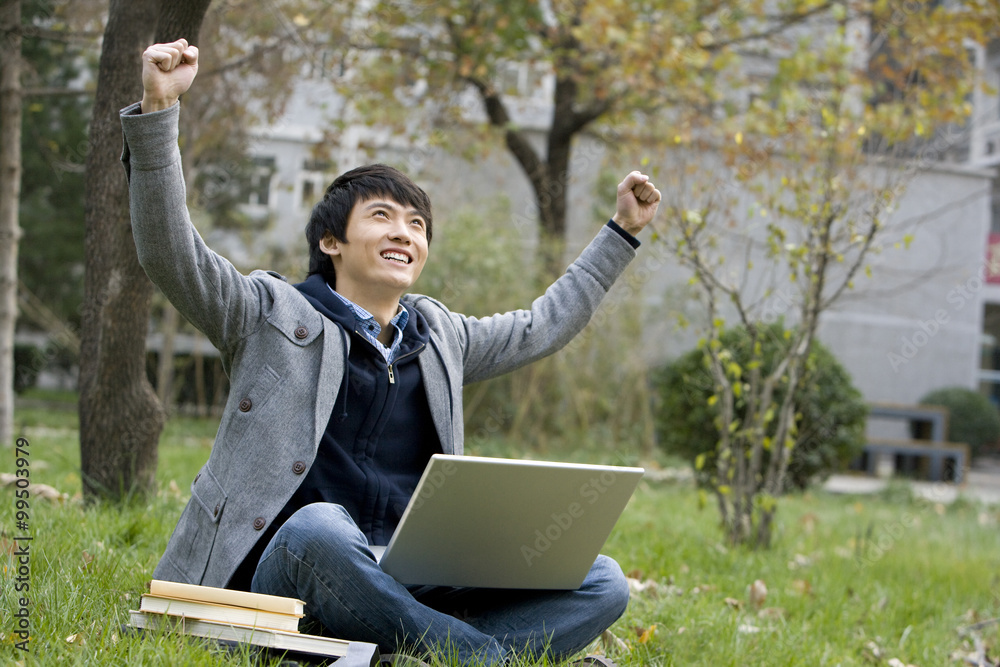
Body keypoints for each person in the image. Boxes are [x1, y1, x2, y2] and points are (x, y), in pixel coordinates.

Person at [122, 38, 662, 666]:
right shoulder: (268, 314)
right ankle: (484, 661)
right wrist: (159, 111)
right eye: (382, 216)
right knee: (319, 526)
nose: (404, 232)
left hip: (406, 581)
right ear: (332, 240)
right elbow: (170, 254)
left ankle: (402, 655)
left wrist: (620, 233)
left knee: (603, 580)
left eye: (416, 225)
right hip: (286, 582)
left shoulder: (440, 337)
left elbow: (541, 326)